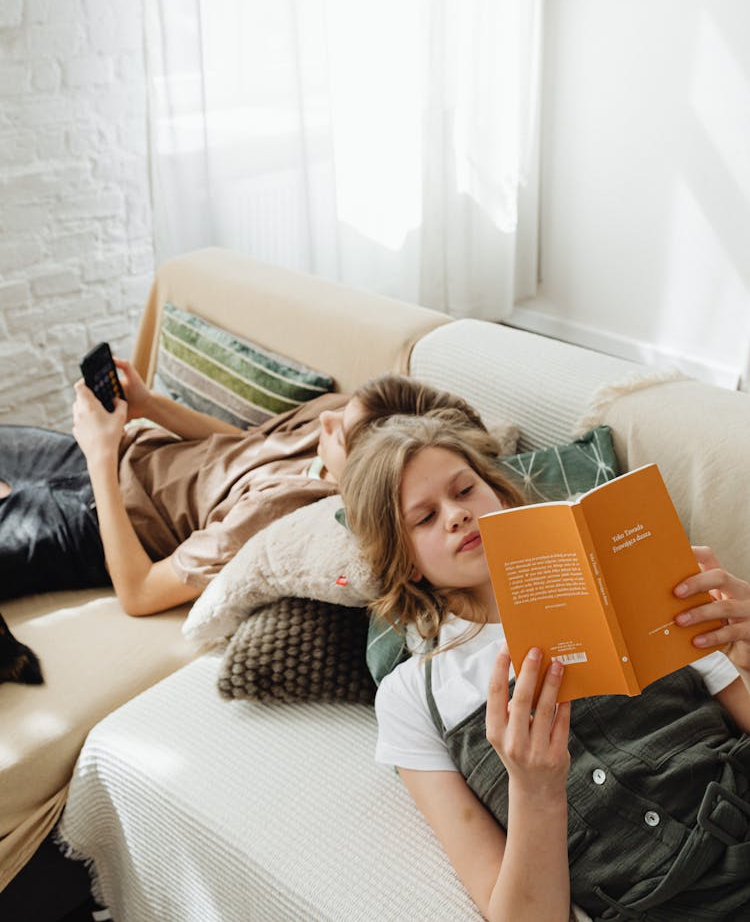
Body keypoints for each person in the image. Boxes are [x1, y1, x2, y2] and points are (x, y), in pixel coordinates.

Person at [340, 413, 750, 922]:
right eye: (424, 518)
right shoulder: (411, 696)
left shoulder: (620, 580)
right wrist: (534, 791)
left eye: (465, 490)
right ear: (405, 561)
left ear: (500, 495)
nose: (456, 515)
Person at [0, 367, 483, 618]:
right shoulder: (333, 415)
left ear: (363, 473)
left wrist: (99, 456)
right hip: (125, 449)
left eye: (340, 431)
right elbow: (244, 447)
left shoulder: (285, 513)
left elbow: (139, 592)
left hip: (96, 519)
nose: (326, 418)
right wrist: (150, 405)